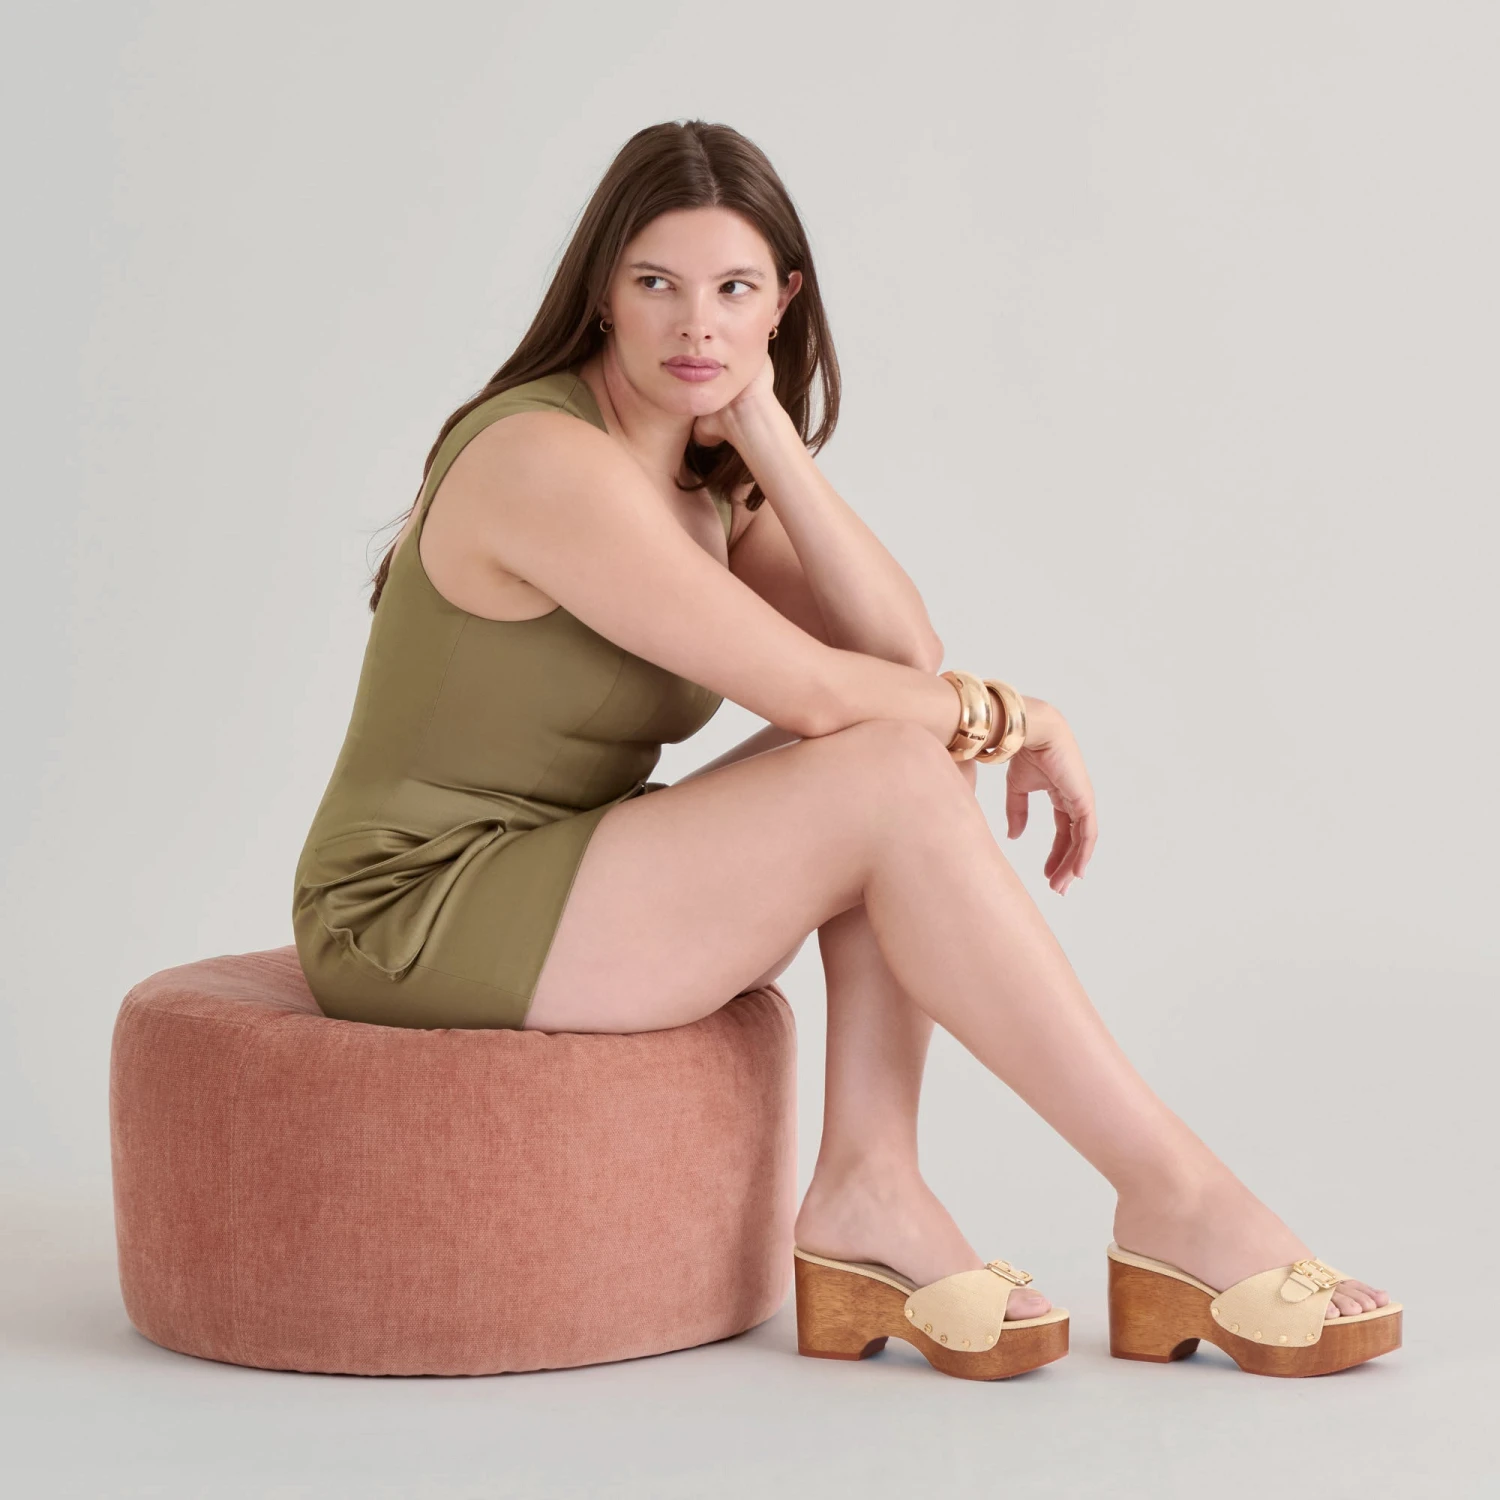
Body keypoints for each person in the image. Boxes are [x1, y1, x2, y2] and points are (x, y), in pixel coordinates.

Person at [292, 119, 1397, 1379]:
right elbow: (818, 691)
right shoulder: (543, 459)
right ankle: (1175, 1197)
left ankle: (873, 1187)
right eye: (656, 283)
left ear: (784, 301)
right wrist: (1029, 717)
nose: (695, 325)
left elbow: (899, 649)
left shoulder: (704, 474)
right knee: (886, 756)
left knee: (905, 746)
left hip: (557, 861)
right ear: (602, 291)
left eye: (733, 290)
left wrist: (764, 432)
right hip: (414, 908)